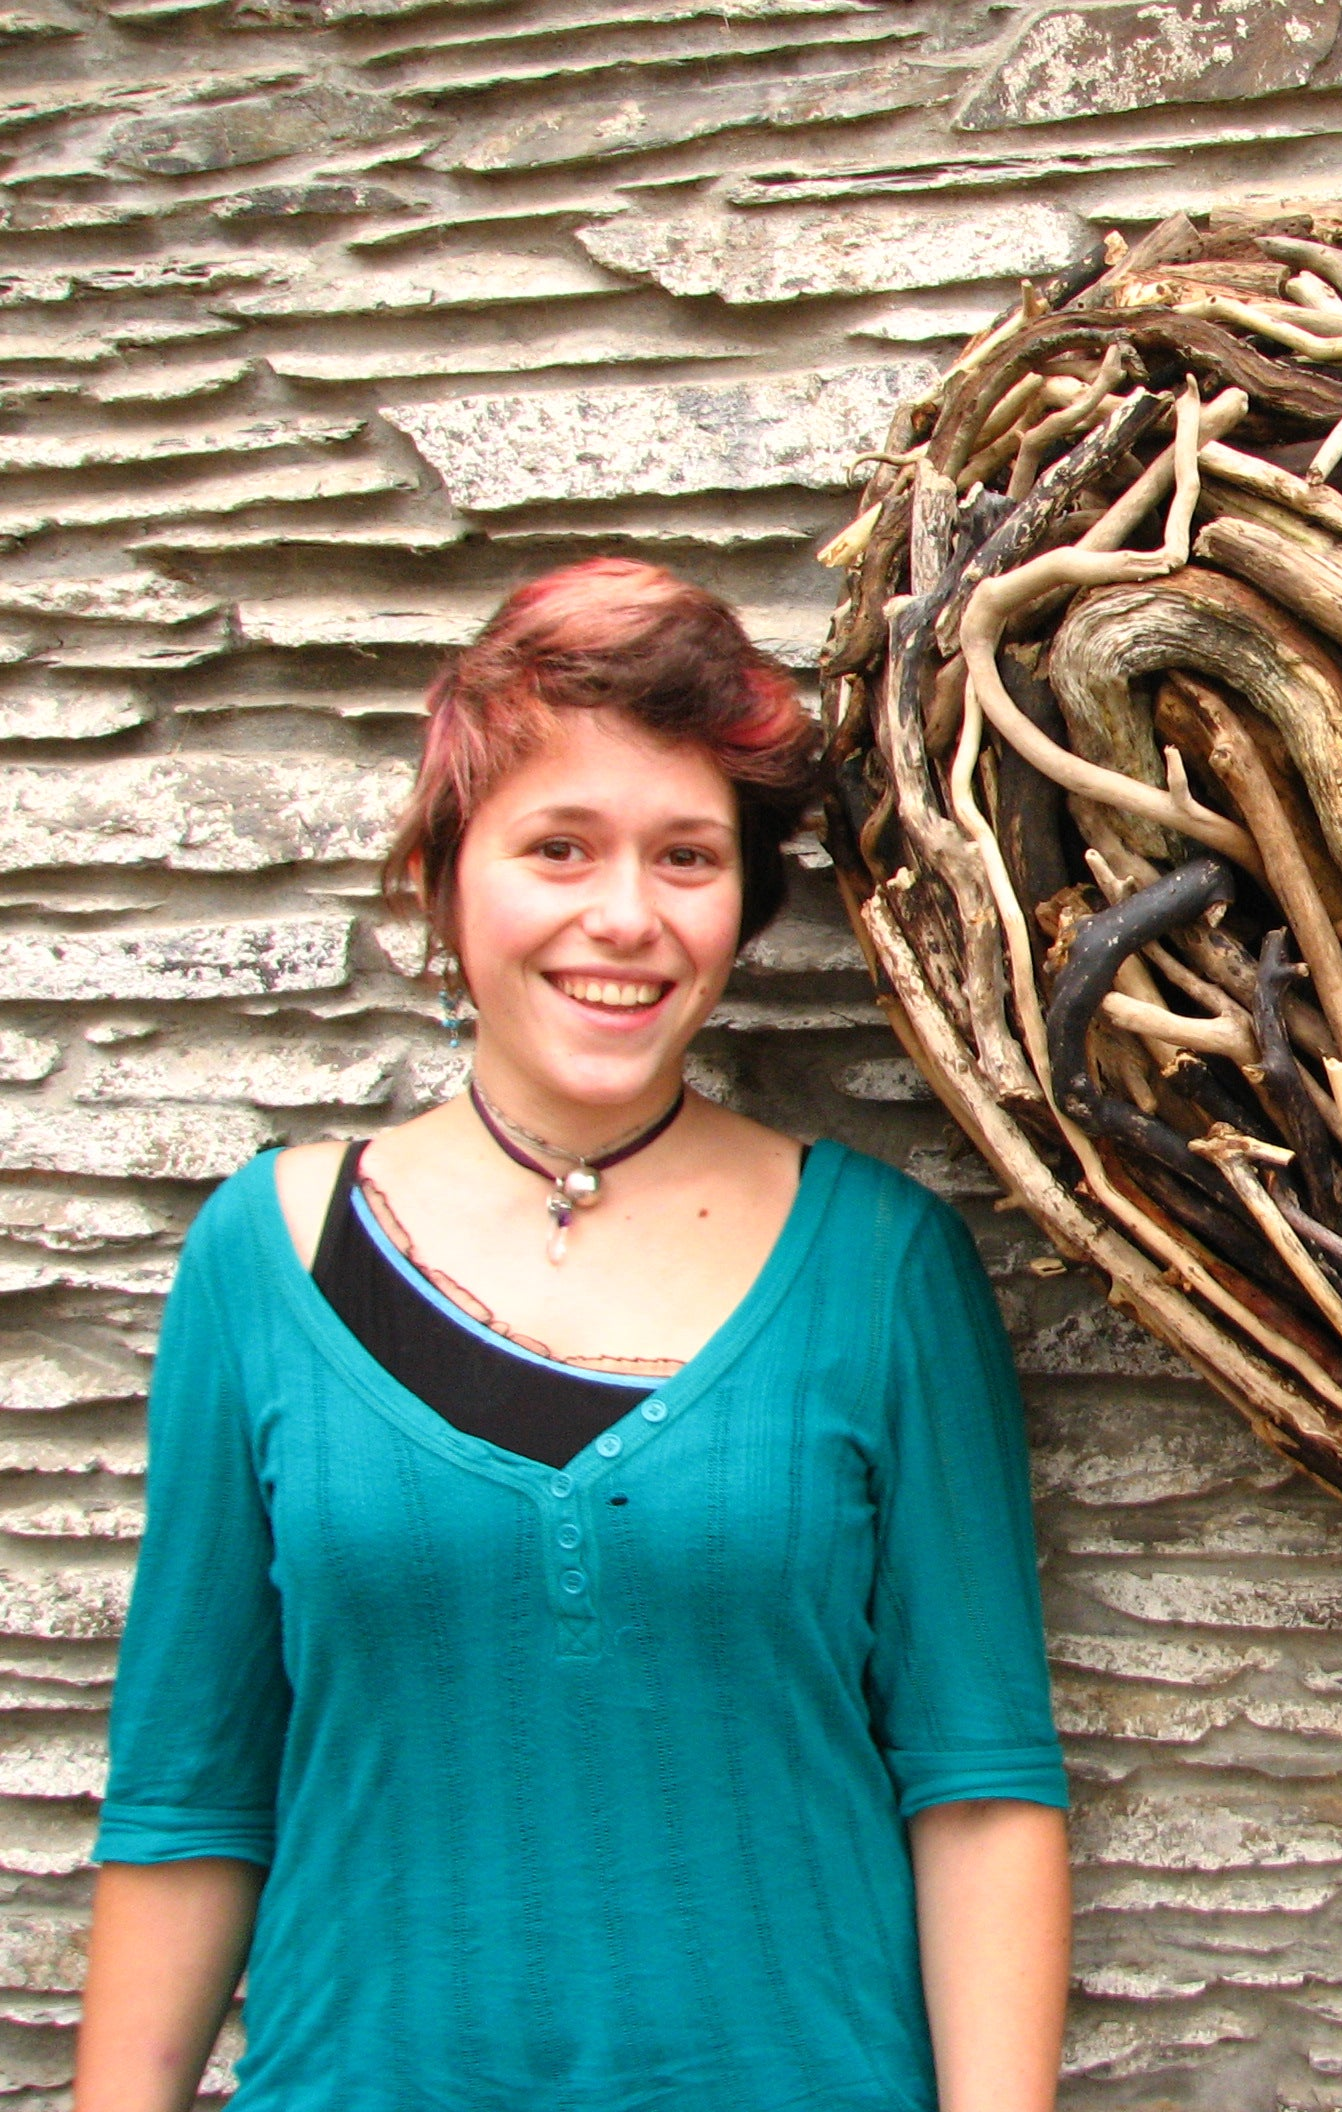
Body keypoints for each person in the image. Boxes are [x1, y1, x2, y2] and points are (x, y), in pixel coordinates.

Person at [74, 559, 1071, 2112]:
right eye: (558, 846)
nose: (625, 916)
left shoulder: (879, 1266)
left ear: (743, 908)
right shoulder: (262, 1259)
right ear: (445, 874)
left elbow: (981, 1786)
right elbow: (190, 1801)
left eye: (687, 856)